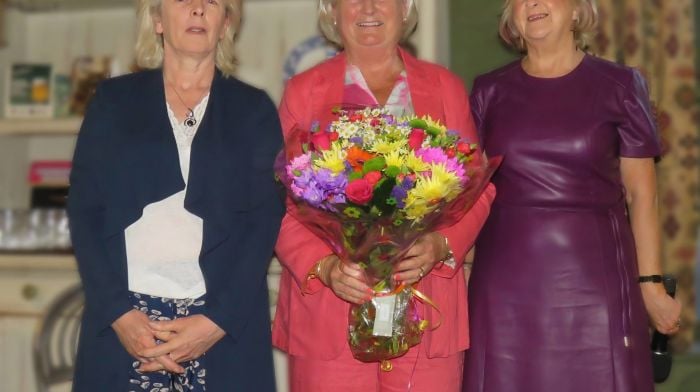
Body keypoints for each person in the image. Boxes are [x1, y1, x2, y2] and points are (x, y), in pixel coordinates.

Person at [272, 1, 496, 391]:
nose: (369, 7)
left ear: (405, 7)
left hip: (427, 319)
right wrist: (324, 267)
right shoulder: (302, 92)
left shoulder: (446, 88)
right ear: (332, 10)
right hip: (330, 319)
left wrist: (440, 244)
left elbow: (477, 188)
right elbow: (278, 201)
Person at [462, 0, 682, 391]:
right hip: (503, 290)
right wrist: (459, 272)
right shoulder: (487, 91)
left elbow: (641, 195)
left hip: (596, 285)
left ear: (579, 11)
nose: (533, 3)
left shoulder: (621, 85)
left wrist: (650, 285)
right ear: (511, 18)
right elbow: (472, 194)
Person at [67, 0, 283, 390]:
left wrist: (216, 321)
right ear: (157, 20)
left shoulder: (254, 110)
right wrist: (118, 313)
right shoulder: (113, 102)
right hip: (126, 321)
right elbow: (84, 211)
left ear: (226, 23)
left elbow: (264, 221)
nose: (199, 8)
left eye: (214, 2)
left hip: (221, 325)